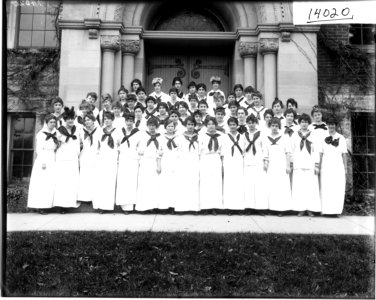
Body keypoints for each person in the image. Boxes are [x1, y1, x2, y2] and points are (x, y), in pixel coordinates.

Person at [290, 113, 321, 217]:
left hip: (310, 164)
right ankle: (301, 209)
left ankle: (310, 209)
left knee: (311, 188)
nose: (304, 124)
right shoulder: (295, 135)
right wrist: (291, 163)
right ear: (299, 123)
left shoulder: (314, 135)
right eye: (302, 122)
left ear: (309, 123)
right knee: (299, 188)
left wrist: (317, 164)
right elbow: (291, 150)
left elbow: (316, 150)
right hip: (298, 165)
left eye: (306, 122)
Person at [27, 114, 58, 214]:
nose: (52, 124)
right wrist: (43, 162)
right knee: (42, 183)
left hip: (53, 157)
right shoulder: (41, 134)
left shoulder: (56, 133)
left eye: (54, 122)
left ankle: (48, 205)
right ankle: (40, 206)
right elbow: (39, 149)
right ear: (46, 123)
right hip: (44, 159)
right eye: (51, 122)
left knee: (50, 182)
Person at [319, 116, 347, 216]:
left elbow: (344, 154)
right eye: (329, 124)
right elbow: (320, 153)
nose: (331, 126)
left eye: (333, 124)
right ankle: (326, 211)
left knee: (337, 187)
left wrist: (345, 167)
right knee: (327, 187)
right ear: (327, 125)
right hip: (326, 165)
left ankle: (336, 210)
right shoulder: (322, 137)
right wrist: (319, 166)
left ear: (335, 125)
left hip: (337, 165)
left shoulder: (342, 138)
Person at [53, 107, 80, 213]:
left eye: (72, 118)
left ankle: (70, 203)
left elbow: (79, 143)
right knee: (62, 182)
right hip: (62, 159)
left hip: (73, 159)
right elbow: (55, 144)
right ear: (65, 120)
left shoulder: (77, 130)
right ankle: (61, 206)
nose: (70, 120)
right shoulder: (59, 131)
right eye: (68, 119)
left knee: (72, 182)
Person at [263, 117, 292, 216]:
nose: (274, 128)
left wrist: (288, 166)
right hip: (272, 165)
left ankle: (281, 209)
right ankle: (273, 208)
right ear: (270, 126)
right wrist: (266, 164)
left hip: (281, 164)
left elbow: (288, 152)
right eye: (272, 126)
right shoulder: (266, 138)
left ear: (279, 126)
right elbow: (265, 153)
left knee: (281, 186)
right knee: (272, 186)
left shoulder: (284, 137)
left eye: (276, 126)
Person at [116, 113, 142, 213]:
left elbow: (140, 145)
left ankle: (131, 206)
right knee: (123, 181)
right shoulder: (120, 132)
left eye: (131, 121)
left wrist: (138, 152)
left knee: (131, 182)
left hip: (133, 159)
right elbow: (117, 143)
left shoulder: (138, 133)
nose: (129, 123)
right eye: (127, 121)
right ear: (125, 122)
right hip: (123, 158)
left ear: (134, 122)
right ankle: (124, 206)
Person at [93, 111, 118, 213]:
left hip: (112, 158)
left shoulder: (118, 131)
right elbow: (97, 146)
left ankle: (108, 205)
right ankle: (101, 205)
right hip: (102, 158)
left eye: (109, 119)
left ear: (113, 119)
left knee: (110, 182)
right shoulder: (100, 131)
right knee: (102, 182)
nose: (107, 121)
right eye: (105, 119)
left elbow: (120, 144)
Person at [136, 117, 163, 212]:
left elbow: (160, 150)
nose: (152, 127)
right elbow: (138, 148)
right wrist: (140, 152)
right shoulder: (143, 136)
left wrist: (158, 162)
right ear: (147, 126)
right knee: (144, 184)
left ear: (157, 127)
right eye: (150, 125)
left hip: (154, 162)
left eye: (154, 126)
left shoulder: (160, 137)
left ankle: (153, 206)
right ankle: (144, 207)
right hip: (145, 161)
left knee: (154, 184)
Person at [175, 116, 200, 213]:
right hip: (184, 162)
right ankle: (183, 207)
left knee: (194, 183)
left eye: (192, 124)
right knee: (184, 184)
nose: (190, 126)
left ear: (195, 125)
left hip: (194, 161)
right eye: (189, 124)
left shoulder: (198, 137)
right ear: (186, 125)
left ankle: (193, 208)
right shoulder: (180, 137)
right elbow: (177, 150)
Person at [199, 116, 224, 214]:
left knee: (215, 183)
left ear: (216, 125)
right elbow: (199, 150)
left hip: (216, 159)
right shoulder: (201, 135)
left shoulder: (221, 135)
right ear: (206, 125)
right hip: (205, 159)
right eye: (208, 124)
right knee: (206, 183)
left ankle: (214, 207)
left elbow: (222, 151)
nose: (211, 126)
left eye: (213, 124)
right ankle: (206, 207)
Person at [243, 114, 268, 213]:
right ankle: (249, 207)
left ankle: (260, 208)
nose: (251, 125)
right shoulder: (244, 135)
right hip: (248, 161)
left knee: (259, 185)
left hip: (258, 161)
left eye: (252, 122)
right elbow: (243, 148)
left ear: (256, 123)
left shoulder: (261, 134)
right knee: (249, 185)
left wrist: (265, 160)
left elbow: (264, 148)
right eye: (249, 123)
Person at [77, 113, 101, 204]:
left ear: (93, 120)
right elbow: (78, 143)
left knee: (94, 177)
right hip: (85, 155)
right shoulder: (81, 131)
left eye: (89, 120)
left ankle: (93, 197)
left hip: (95, 155)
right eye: (85, 120)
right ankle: (85, 198)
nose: (87, 122)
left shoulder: (99, 131)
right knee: (85, 177)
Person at [222, 117, 245, 213]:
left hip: (238, 160)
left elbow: (244, 150)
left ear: (237, 125)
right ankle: (230, 208)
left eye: (234, 124)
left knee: (238, 183)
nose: (232, 126)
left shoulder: (242, 137)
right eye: (230, 125)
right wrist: (223, 164)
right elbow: (223, 152)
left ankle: (239, 207)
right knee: (229, 184)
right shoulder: (224, 136)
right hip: (229, 161)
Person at [158, 118, 181, 212]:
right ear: (165, 127)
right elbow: (158, 153)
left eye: (172, 126)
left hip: (175, 162)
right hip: (165, 161)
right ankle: (164, 206)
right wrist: (159, 165)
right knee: (165, 184)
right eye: (168, 126)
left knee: (174, 184)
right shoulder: (161, 138)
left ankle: (173, 206)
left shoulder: (179, 138)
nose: (170, 128)